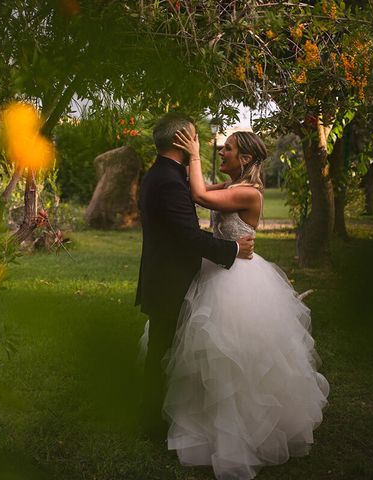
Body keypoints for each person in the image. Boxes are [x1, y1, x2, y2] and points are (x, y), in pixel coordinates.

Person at [163, 128, 330, 479]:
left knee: (234, 362)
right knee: (207, 359)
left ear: (246, 159)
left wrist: (194, 153)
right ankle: (208, 433)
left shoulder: (249, 194)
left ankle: (240, 439)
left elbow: (199, 195)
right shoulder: (231, 187)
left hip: (238, 282)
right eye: (220, 148)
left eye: (229, 149)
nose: (222, 152)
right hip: (217, 270)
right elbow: (199, 194)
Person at [135, 113, 255, 441]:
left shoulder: (163, 175)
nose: (199, 144)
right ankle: (152, 424)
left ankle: (162, 415)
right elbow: (190, 237)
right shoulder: (169, 181)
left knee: (170, 351)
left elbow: (201, 194)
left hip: (167, 277)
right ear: (182, 141)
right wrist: (232, 251)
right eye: (194, 138)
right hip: (170, 281)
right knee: (163, 354)